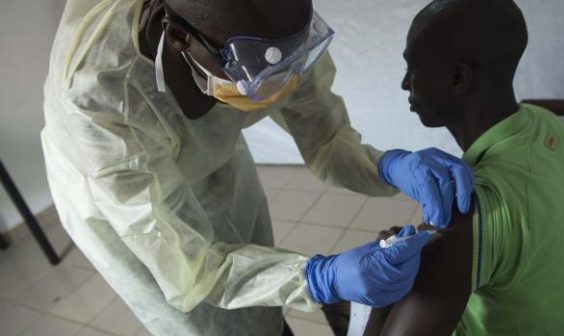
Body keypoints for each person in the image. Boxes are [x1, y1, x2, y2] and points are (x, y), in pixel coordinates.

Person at [40, 0, 475, 335]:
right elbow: (193, 270)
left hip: (211, 158)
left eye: (293, 61)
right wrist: (320, 280)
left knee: (259, 295)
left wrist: (390, 166)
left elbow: (324, 138)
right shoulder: (100, 101)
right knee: (204, 317)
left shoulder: (274, 33)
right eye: (261, 73)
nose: (284, 84)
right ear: (178, 39)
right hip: (119, 196)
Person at [361, 0, 564, 335]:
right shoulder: (548, 126)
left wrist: (384, 298)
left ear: (458, 78)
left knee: (347, 298)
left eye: (413, 69)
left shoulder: (469, 213)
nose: (405, 84)